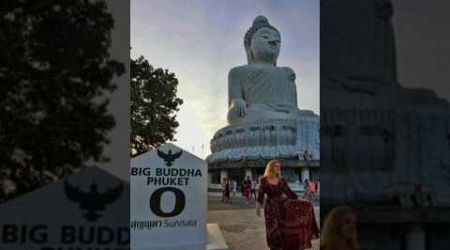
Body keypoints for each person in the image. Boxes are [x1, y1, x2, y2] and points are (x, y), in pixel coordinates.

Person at [256, 160, 319, 250]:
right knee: (273, 231)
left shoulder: (282, 180)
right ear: (270, 168)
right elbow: (260, 195)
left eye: (279, 166)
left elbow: (290, 193)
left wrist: (302, 200)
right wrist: (258, 208)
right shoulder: (264, 180)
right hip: (270, 208)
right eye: (276, 166)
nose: (278, 168)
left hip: (282, 207)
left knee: (284, 230)